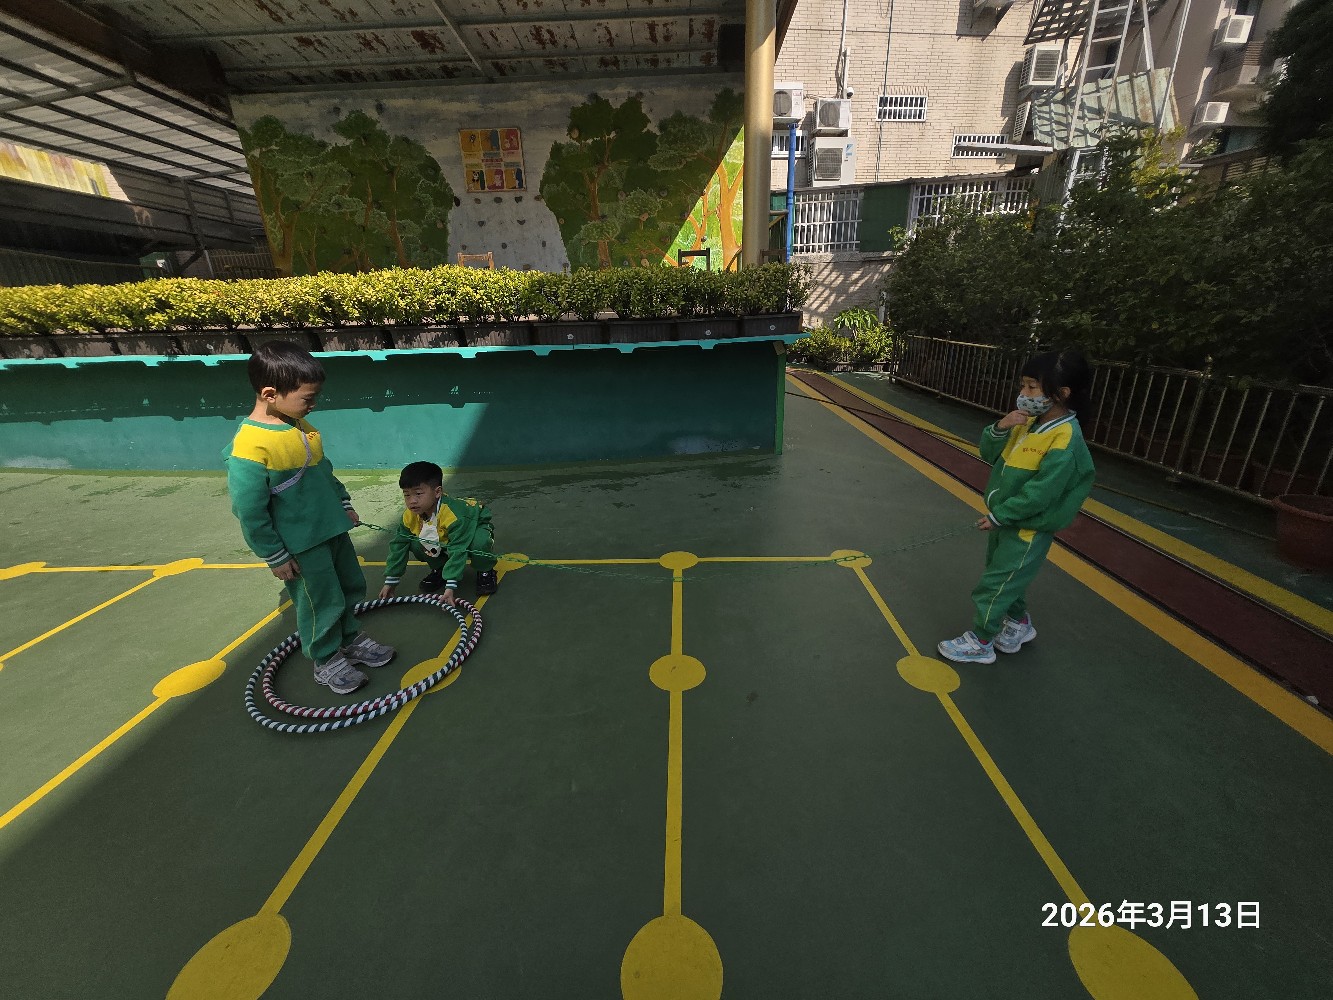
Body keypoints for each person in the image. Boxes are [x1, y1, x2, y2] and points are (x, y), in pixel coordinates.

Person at [225, 341, 394, 695]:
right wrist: (274, 554)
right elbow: (249, 509)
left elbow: (322, 470)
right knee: (319, 600)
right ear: (270, 394)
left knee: (349, 585)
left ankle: (348, 639)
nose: (314, 403)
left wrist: (343, 503)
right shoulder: (250, 446)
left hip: (331, 528)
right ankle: (326, 658)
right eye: (307, 398)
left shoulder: (299, 424)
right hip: (300, 543)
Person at [937, 348, 1097, 665]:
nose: (1024, 393)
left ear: (1062, 393)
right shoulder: (1028, 423)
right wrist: (1001, 427)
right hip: (1007, 519)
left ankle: (981, 641)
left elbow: (1041, 493)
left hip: (1027, 527)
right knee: (1008, 577)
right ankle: (1019, 623)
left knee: (995, 584)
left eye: (1032, 387)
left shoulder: (1065, 437)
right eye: (1023, 385)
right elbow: (989, 453)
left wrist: (1001, 515)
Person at [378, 461, 499, 606]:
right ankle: (440, 568)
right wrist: (391, 581)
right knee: (416, 543)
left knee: (479, 542)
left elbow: (458, 547)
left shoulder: (454, 515)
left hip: (473, 525)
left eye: (418, 493)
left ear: (437, 492)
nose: (412, 501)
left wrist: (450, 587)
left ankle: (485, 570)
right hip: (444, 534)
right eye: (406, 495)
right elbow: (398, 545)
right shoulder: (409, 516)